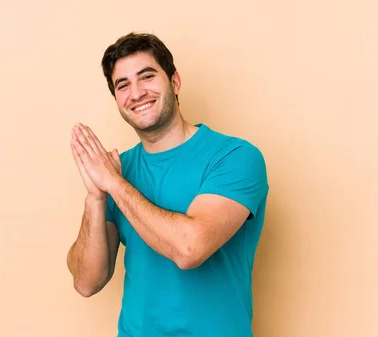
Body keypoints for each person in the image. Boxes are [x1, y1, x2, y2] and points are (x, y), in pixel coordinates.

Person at [66, 32, 269, 337]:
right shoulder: (119, 169)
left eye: (147, 76)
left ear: (174, 82)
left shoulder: (235, 157)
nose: (136, 93)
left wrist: (114, 184)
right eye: (123, 85)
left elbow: (190, 248)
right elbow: (86, 282)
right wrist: (95, 198)